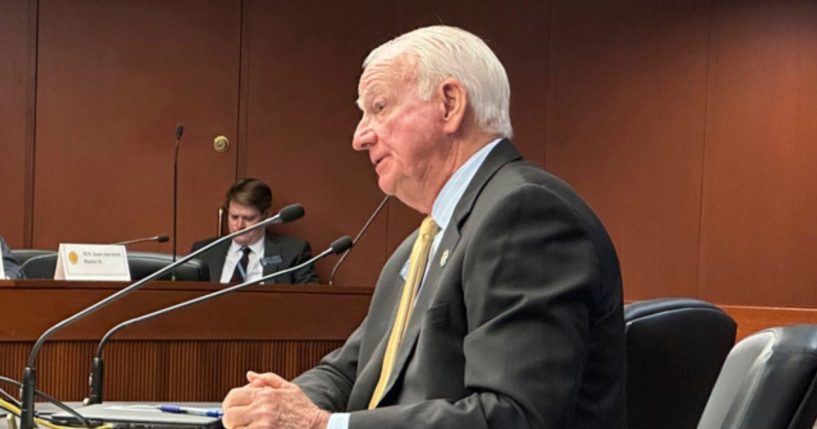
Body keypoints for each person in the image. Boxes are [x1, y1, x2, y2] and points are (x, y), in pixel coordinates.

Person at [222, 26, 625, 429]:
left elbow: (514, 415)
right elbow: (350, 371)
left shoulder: (526, 214)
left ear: (450, 104)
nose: (359, 137)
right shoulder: (423, 241)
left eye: (378, 108)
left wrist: (320, 425)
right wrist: (271, 406)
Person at [190, 178, 319, 285]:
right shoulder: (204, 252)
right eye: (234, 217)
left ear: (267, 215)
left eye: (248, 218)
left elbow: (309, 301)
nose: (239, 225)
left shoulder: (293, 252)